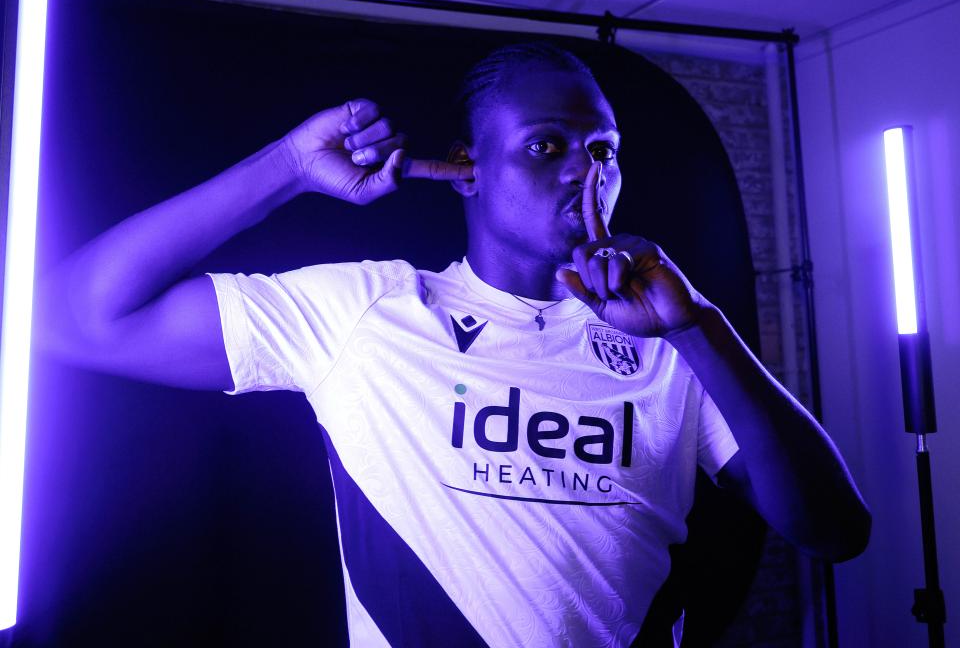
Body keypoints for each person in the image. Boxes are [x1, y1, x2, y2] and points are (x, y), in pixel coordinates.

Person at [36, 41, 870, 647]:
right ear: (469, 165)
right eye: (547, 146)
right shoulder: (367, 312)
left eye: (604, 151)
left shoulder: (671, 342)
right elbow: (78, 317)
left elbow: (836, 533)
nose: (588, 173)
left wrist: (701, 329)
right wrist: (291, 164)